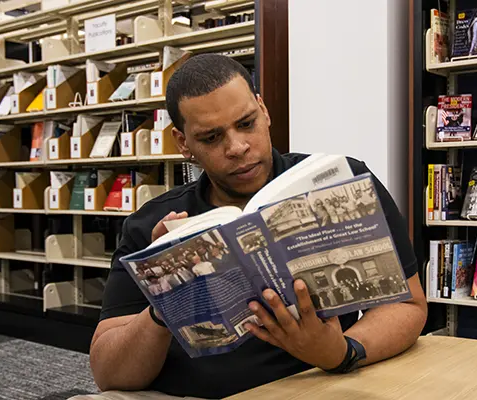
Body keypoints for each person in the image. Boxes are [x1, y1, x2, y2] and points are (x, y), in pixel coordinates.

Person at [87, 54, 427, 400]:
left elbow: (408, 306)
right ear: (183, 143)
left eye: (246, 124)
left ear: (264, 111)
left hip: (309, 387)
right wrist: (165, 302)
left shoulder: (342, 181)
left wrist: (344, 352)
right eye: (211, 137)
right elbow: (109, 374)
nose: (237, 148)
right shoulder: (151, 225)